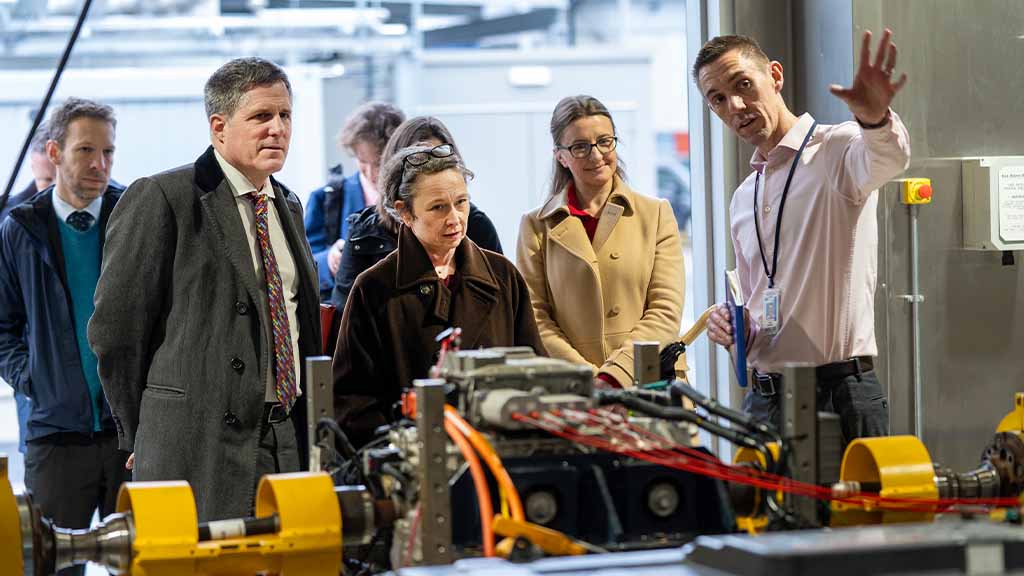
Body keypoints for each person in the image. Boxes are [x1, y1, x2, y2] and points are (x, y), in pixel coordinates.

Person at [88, 58, 322, 522]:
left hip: (285, 441)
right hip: (195, 447)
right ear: (219, 127)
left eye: (285, 116)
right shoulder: (162, 197)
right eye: (261, 117)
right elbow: (115, 333)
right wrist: (145, 432)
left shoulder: (289, 205)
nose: (277, 129)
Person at [695, 31, 911, 444]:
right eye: (717, 99)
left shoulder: (837, 149)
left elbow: (890, 158)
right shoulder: (745, 196)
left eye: (743, 85)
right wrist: (738, 327)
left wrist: (874, 120)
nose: (735, 107)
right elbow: (759, 299)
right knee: (759, 511)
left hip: (838, 393)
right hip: (763, 400)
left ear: (774, 75)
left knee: (853, 511)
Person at [333, 144, 544, 448]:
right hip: (413, 465)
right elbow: (352, 403)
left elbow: (534, 371)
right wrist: (403, 450)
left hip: (498, 455)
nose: (455, 218)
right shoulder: (374, 288)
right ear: (404, 212)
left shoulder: (503, 277)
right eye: (438, 207)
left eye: (461, 202)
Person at [0, 98, 127, 576]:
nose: (99, 164)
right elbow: (2, 326)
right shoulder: (20, 229)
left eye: (109, 152)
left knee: (150, 561)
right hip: (55, 437)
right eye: (85, 151)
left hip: (129, 436)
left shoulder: (134, 214)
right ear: (54, 152)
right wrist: (35, 379)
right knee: (51, 567)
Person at [517, 95, 685, 388]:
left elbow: (665, 312)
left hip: (648, 382)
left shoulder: (655, 214)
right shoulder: (536, 226)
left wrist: (612, 375)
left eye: (605, 141)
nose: (596, 155)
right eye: (580, 147)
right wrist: (589, 378)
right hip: (573, 388)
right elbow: (535, 319)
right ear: (561, 156)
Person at [329, 115, 503, 311]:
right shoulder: (365, 232)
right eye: (419, 161)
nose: (432, 171)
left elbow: (501, 309)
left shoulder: (476, 226)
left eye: (440, 162)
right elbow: (344, 313)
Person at [305, 102, 405, 300]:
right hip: (348, 314)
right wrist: (329, 260)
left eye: (378, 163)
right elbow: (300, 264)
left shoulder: (414, 197)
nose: (370, 173)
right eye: (362, 161)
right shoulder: (326, 199)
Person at [1, 124, 56, 458]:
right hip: (37, 375)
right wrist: (27, 377)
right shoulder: (11, 220)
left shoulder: (114, 207)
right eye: (47, 181)